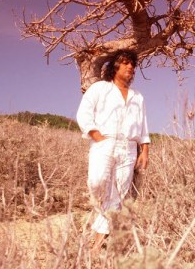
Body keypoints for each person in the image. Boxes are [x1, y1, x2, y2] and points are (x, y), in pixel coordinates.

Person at [76, 49, 150, 253]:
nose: (130, 67)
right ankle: (100, 224)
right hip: (104, 143)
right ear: (114, 67)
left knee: (118, 194)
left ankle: (97, 246)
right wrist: (96, 135)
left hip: (128, 148)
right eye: (125, 63)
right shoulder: (100, 88)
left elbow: (143, 126)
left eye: (132, 65)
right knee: (97, 182)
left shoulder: (138, 97)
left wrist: (145, 151)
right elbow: (84, 112)